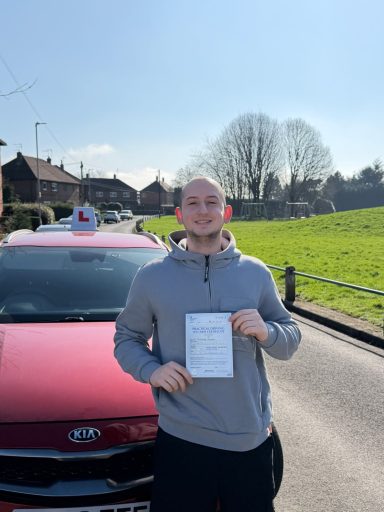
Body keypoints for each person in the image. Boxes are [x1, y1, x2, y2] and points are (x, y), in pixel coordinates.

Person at [114, 176, 301, 512]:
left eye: (212, 202)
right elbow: (127, 338)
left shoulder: (256, 273)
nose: (203, 210)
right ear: (179, 215)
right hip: (182, 439)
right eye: (193, 203)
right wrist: (151, 370)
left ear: (226, 211)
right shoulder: (151, 276)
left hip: (249, 441)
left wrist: (267, 332)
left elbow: (290, 339)